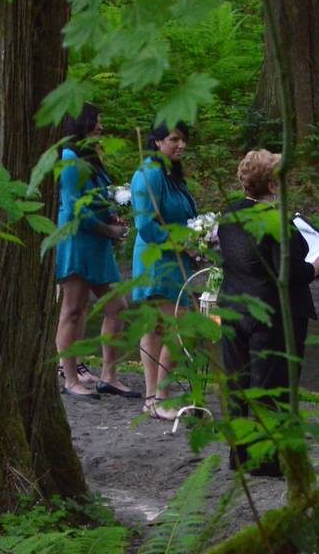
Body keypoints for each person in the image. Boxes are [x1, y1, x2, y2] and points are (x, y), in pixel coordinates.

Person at [215, 149, 319, 475]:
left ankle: (240, 454)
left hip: (235, 305)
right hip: (272, 313)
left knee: (239, 382)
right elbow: (289, 271)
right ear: (272, 184)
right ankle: (267, 461)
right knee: (272, 385)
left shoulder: (230, 214)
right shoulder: (275, 221)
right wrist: (318, 269)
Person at [53, 103, 134, 400]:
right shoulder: (70, 158)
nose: (100, 127)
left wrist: (112, 216)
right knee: (73, 309)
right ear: (82, 124)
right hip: (77, 239)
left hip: (97, 242)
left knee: (117, 307)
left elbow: (98, 197)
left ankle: (108, 376)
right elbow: (74, 207)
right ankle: (70, 377)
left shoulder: (92, 158)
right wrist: (106, 229)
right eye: (96, 122)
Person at [131, 121, 198, 421]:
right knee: (175, 326)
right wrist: (182, 243)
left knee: (160, 327)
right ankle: (159, 396)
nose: (181, 145)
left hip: (176, 257)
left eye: (184, 140)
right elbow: (146, 225)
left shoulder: (171, 175)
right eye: (174, 139)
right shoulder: (150, 174)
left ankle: (153, 398)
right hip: (158, 259)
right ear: (157, 142)